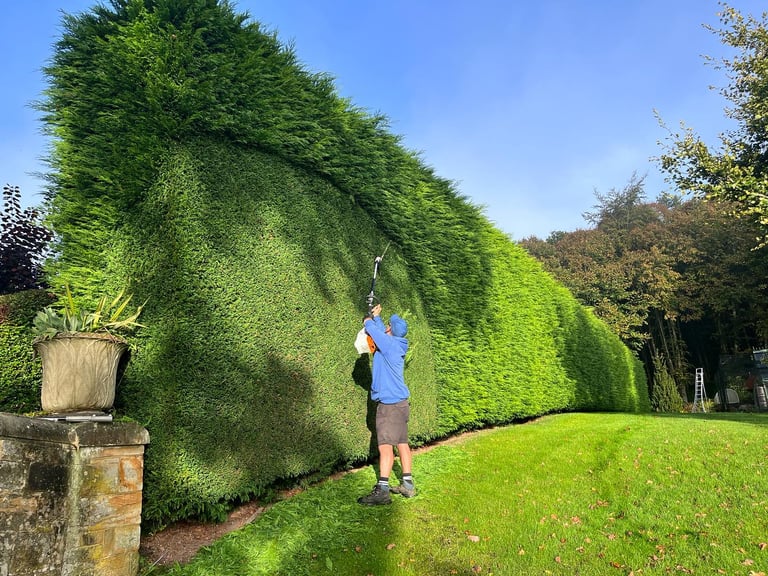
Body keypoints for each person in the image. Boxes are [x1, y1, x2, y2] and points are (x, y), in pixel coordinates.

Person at [357, 303, 415, 505]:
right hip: (401, 404)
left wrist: (367, 320)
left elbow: (373, 330)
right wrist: (378, 317)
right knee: (402, 443)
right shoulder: (395, 344)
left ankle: (382, 491)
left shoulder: (388, 344)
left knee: (385, 446)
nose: (386, 328)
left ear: (390, 330)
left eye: (388, 325)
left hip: (389, 406)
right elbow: (381, 333)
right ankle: (407, 484)